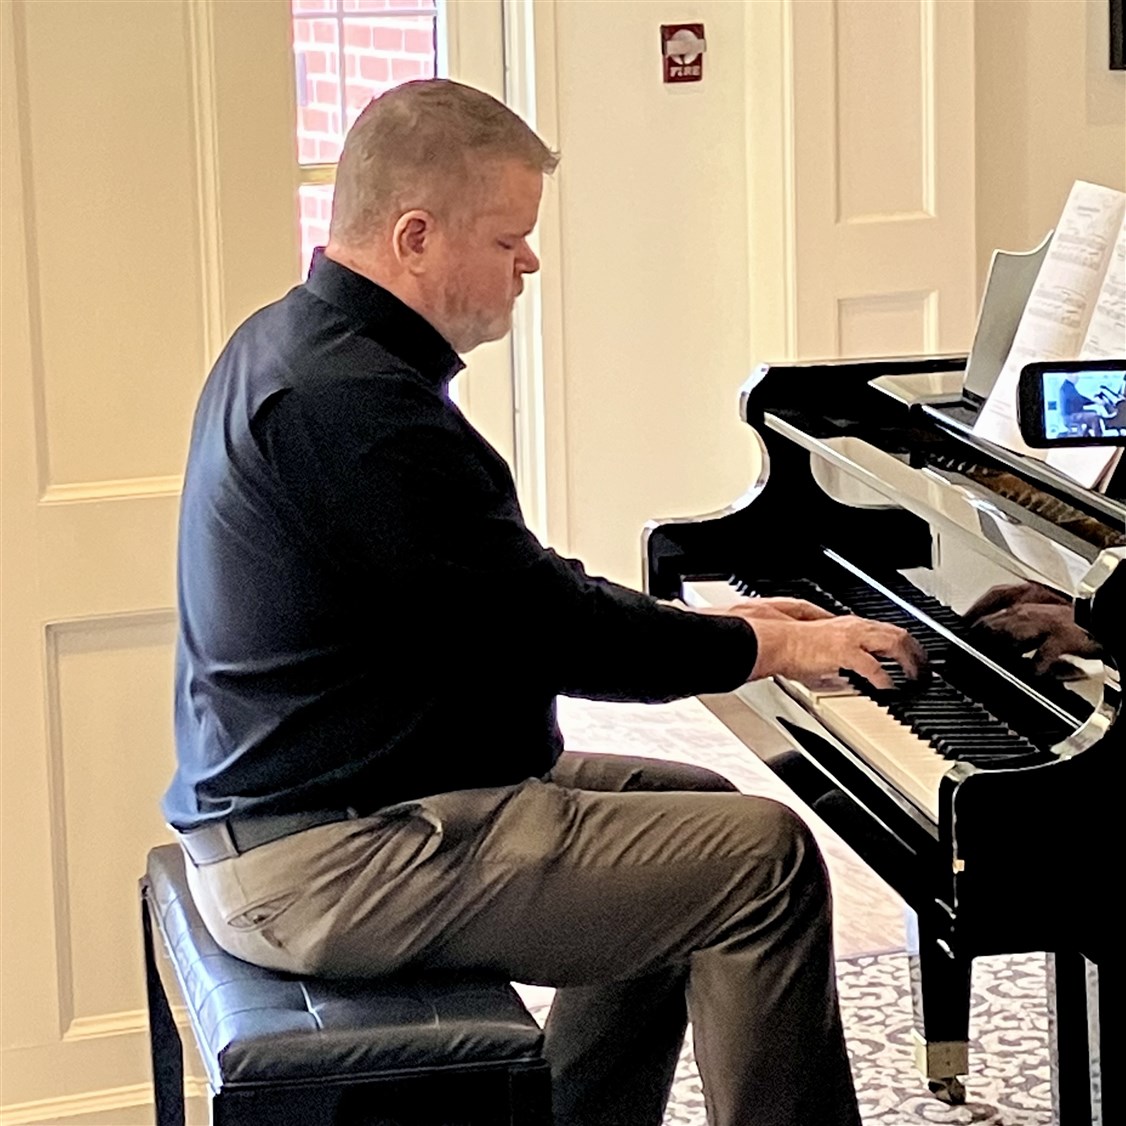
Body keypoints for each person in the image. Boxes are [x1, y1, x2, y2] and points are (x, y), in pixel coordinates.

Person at [164, 79, 927, 1126]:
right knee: (764, 863)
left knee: (697, 814)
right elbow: (550, 634)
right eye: (508, 238)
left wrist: (734, 629)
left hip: (351, 794)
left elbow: (510, 589)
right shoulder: (355, 410)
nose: (529, 264)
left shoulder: (297, 348)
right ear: (416, 235)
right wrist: (766, 652)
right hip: (327, 855)